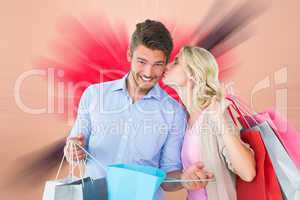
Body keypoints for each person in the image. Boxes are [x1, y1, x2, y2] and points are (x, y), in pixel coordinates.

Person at [64, 20, 213, 199]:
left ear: (166, 63)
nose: (149, 72)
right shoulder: (94, 95)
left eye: (158, 64)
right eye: (142, 61)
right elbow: (74, 151)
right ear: (129, 54)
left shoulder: (174, 113)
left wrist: (183, 179)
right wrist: (73, 151)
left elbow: (167, 179)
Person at [163, 46, 256, 200]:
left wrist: (220, 120)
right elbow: (169, 181)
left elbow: (247, 173)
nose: (168, 66)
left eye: (177, 62)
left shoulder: (214, 113)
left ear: (192, 73)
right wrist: (185, 178)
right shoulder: (184, 118)